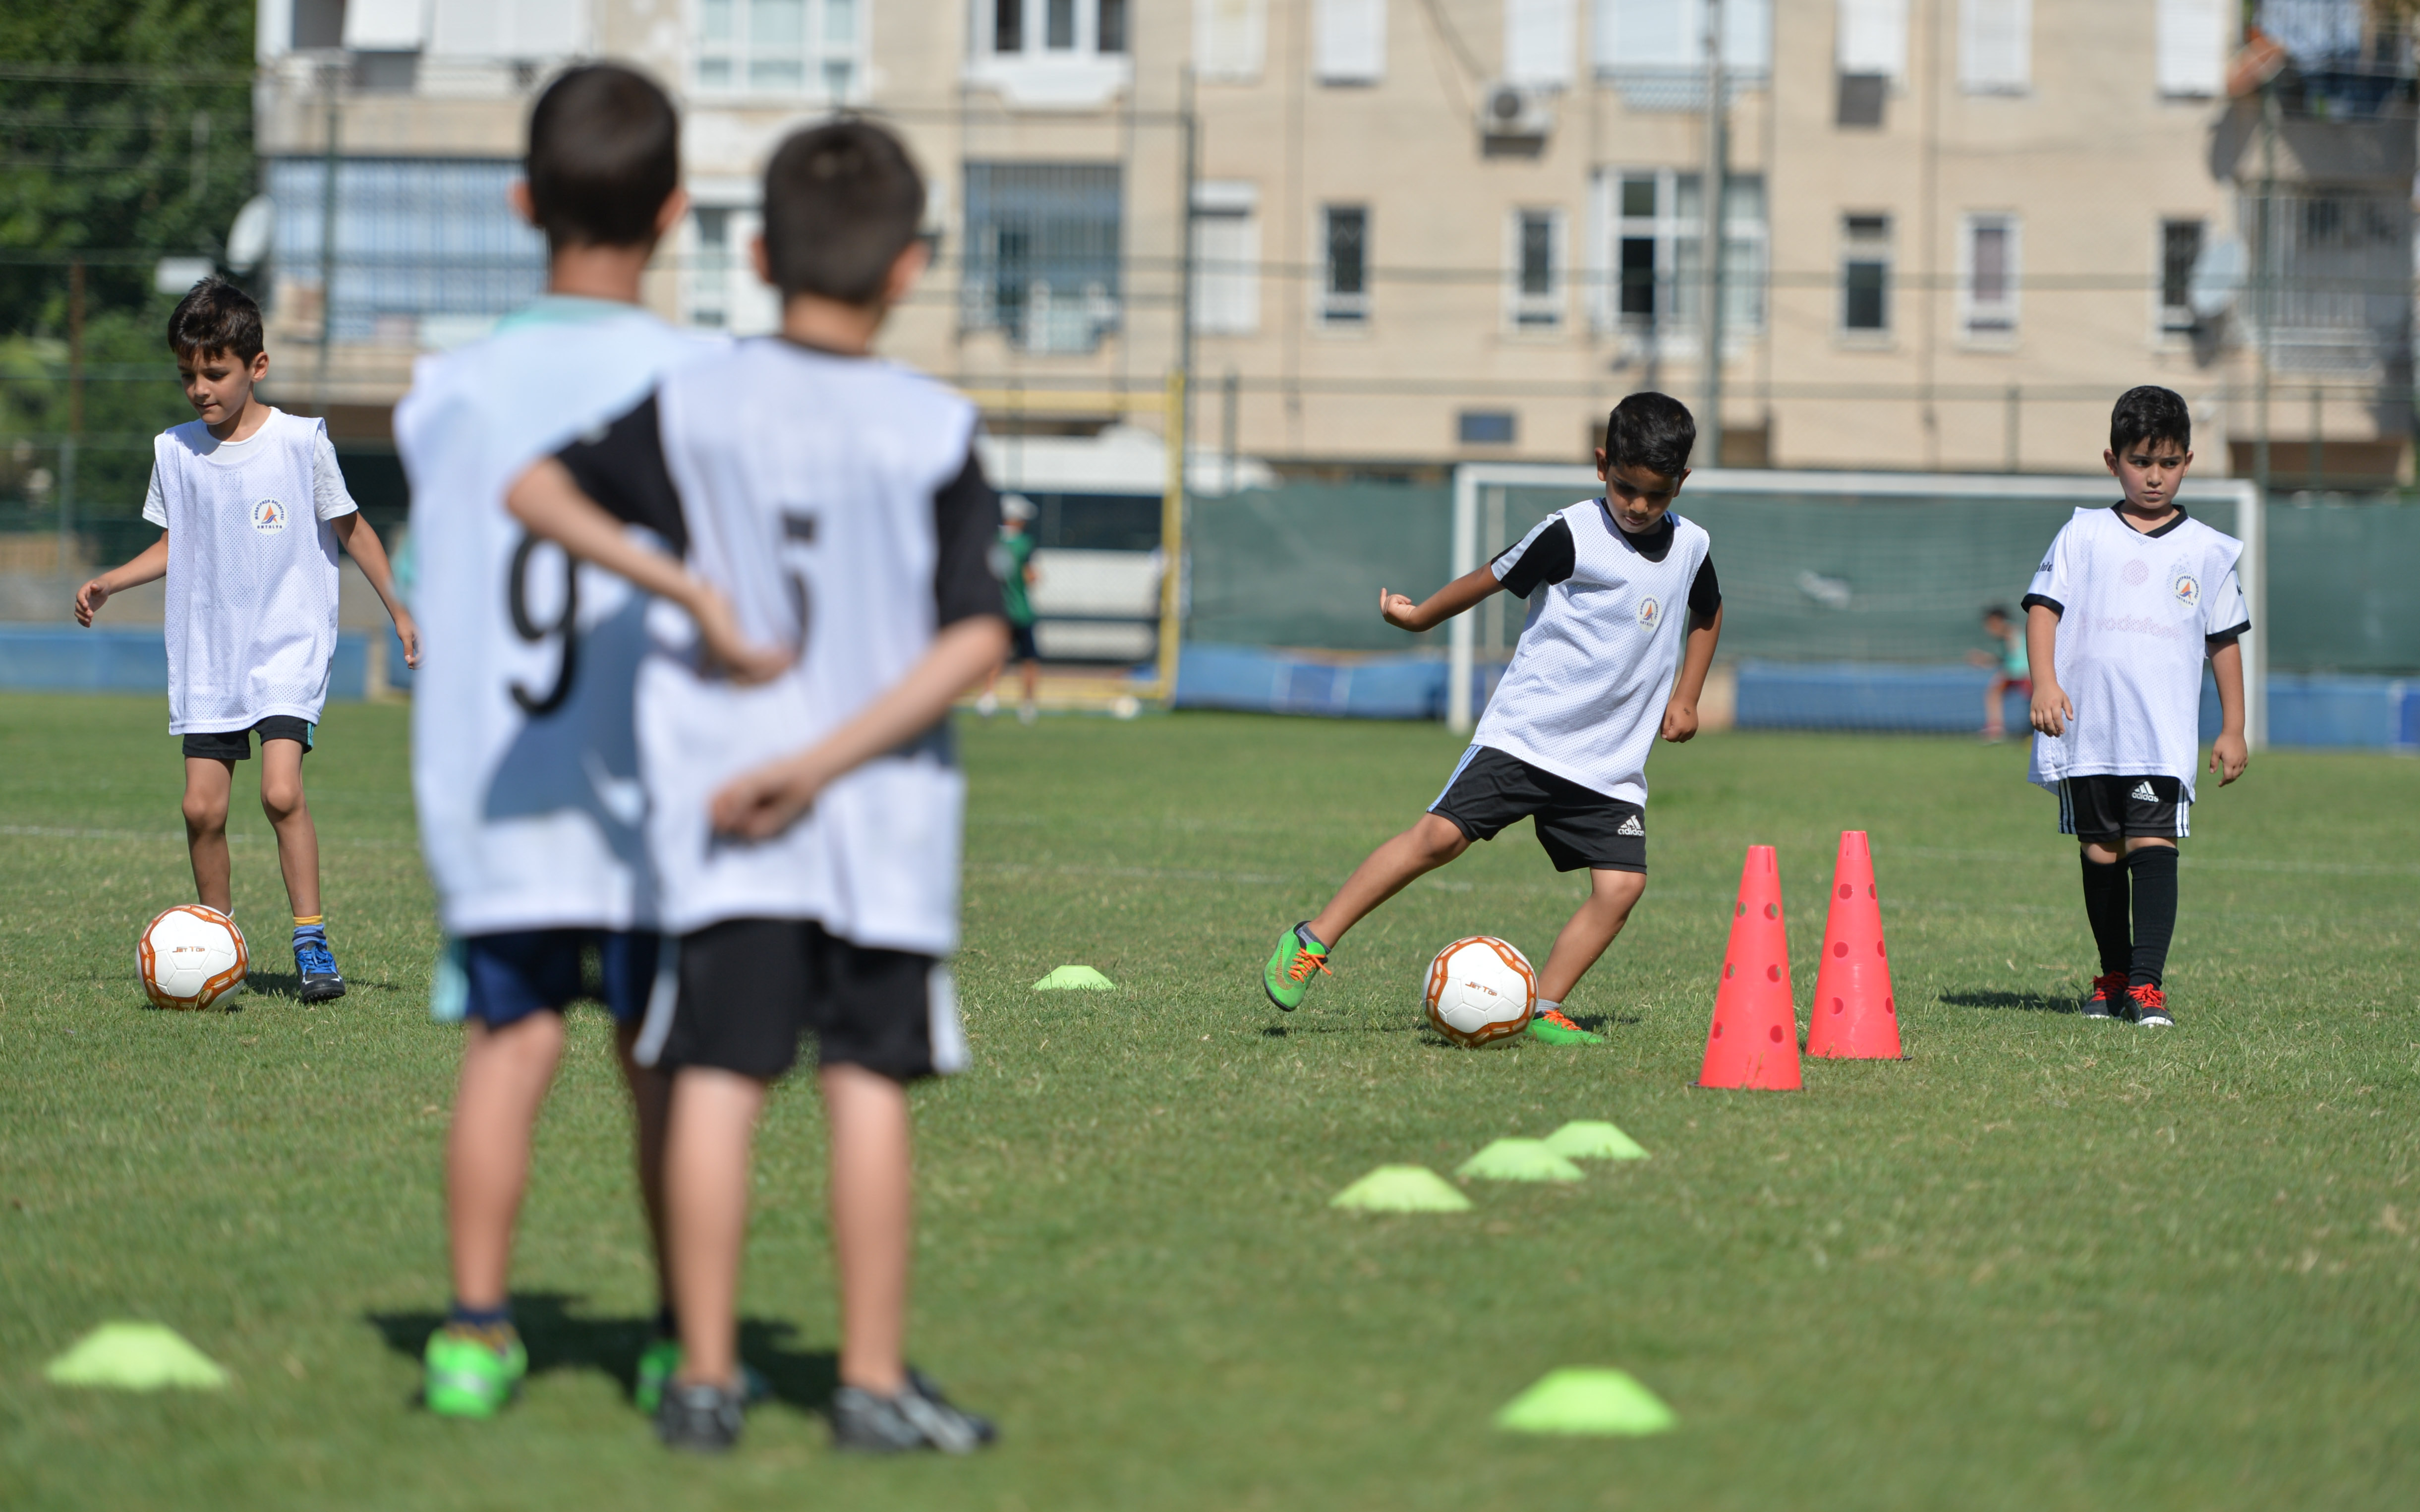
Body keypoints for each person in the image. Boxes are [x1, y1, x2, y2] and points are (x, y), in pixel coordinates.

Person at [504, 118, 1005, 1454]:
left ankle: (706, 1380)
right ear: (909, 268)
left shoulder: (697, 398)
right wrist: (823, 763)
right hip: (878, 819)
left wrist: (693, 598)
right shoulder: (934, 426)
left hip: (725, 814)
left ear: (760, 249)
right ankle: (870, 1383)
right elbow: (977, 635)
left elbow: (537, 491)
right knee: (866, 1084)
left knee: (719, 1079)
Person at [394, 64, 763, 1421]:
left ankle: (476, 1333)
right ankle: (679, 1334)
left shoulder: (449, 390)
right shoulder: (710, 378)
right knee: (660, 1062)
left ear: (520, 201)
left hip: (501, 788)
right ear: (674, 212)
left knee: (510, 1046)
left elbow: (445, 563)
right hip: (662, 791)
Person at [1260, 392, 1724, 1045]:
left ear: (1681, 483)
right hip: (1528, 736)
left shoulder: (1692, 547)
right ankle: (1310, 939)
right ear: (1600, 466)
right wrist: (1419, 616)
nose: (1639, 506)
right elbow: (1492, 577)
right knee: (1437, 841)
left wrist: (1687, 694)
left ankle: (1542, 1006)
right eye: (1625, 488)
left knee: (1621, 887)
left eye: (1656, 493)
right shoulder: (1570, 533)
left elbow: (1707, 610)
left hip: (1608, 763)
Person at [74, 278, 418, 1003]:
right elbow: (177, 543)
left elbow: (352, 528)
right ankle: (216, 938)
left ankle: (311, 941)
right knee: (201, 808)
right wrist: (112, 580)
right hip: (209, 649)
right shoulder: (174, 451)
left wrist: (399, 608)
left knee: (281, 790)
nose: (200, 388)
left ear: (256, 367)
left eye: (215, 372)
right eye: (188, 375)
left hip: (286, 644)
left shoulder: (301, 442)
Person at [2023, 385, 2249, 1027]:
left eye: (2169, 462)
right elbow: (2043, 608)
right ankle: (2113, 974)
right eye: (2140, 460)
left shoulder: (2205, 549)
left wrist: (2232, 727)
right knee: (2100, 851)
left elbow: (2224, 641)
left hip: (2158, 732)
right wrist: (2044, 682)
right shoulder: (2082, 532)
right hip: (2086, 728)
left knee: (2153, 844)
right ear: (2111, 459)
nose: (2154, 475)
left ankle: (2146, 985)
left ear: (2187, 461)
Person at [975, 493, 1040, 723]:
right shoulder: (1024, 544)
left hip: (997, 611)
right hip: (1021, 611)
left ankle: (987, 697)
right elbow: (1031, 577)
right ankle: (1028, 706)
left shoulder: (992, 542)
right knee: (1029, 660)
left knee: (996, 657)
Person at [1967, 604, 2030, 741]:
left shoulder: (2010, 632)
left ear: (1997, 620)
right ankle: (1995, 729)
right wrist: (1984, 659)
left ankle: (1997, 730)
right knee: (1994, 692)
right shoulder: (2006, 636)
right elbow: (2005, 659)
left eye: (1990, 623)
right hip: (2018, 674)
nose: (1989, 628)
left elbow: (2017, 658)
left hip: (2025, 675)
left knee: (1997, 689)